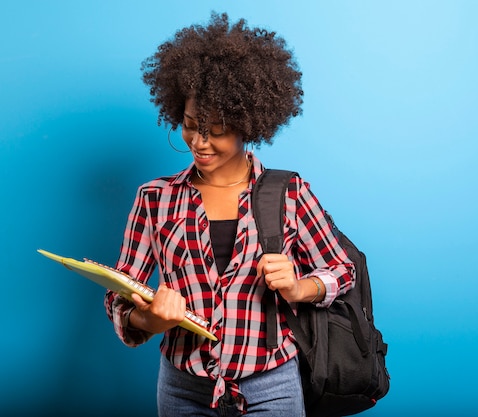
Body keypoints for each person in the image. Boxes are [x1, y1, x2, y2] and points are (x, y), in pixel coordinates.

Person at [104, 12, 355, 417]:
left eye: (216, 129)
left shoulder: (286, 192)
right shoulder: (154, 198)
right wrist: (150, 319)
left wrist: (297, 288)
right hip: (183, 389)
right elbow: (119, 295)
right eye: (189, 125)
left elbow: (342, 271)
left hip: (271, 385)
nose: (199, 143)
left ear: (247, 123)